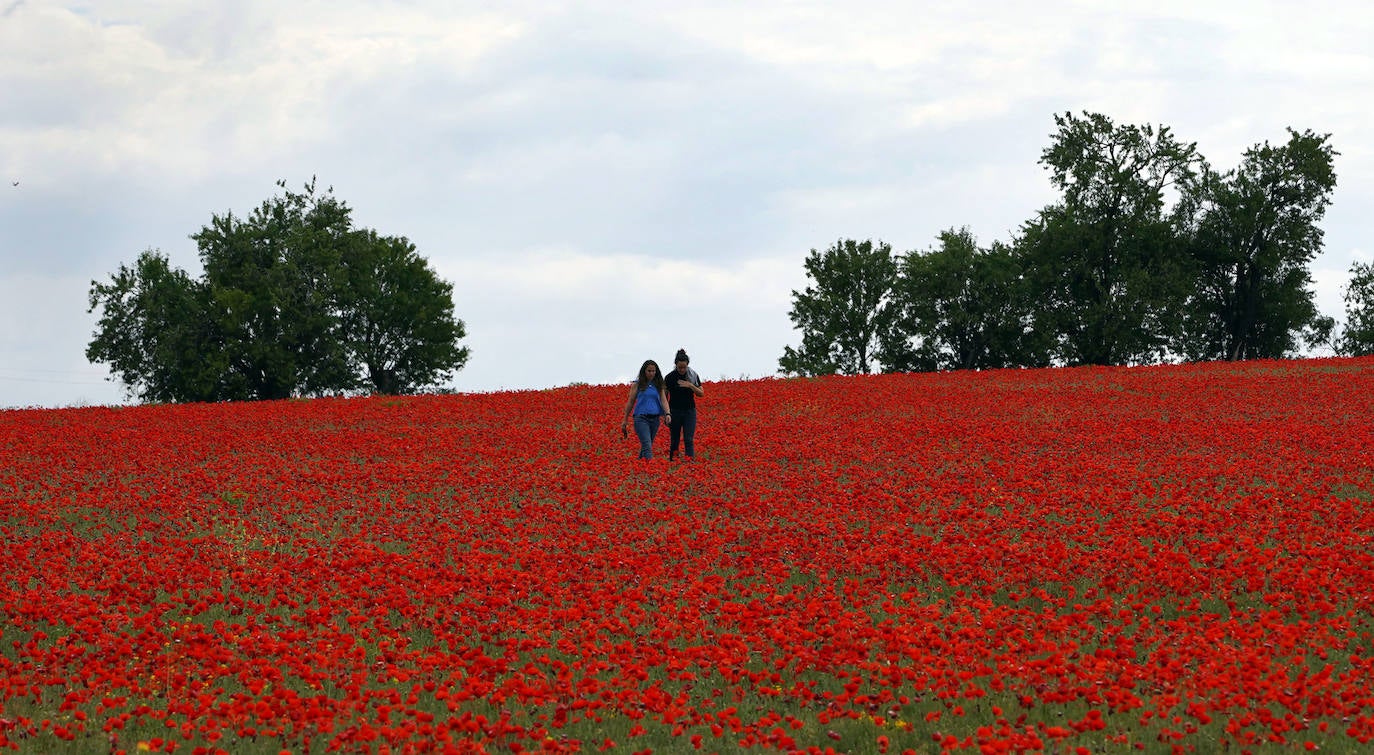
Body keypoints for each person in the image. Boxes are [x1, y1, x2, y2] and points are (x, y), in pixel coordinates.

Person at [621, 359, 671, 460]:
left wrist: (668, 414)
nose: (651, 373)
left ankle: (640, 466)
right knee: (647, 445)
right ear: (644, 371)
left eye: (653, 371)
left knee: (646, 446)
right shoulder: (637, 384)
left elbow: (664, 400)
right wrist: (625, 419)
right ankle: (650, 467)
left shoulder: (658, 385)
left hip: (655, 419)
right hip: (641, 419)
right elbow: (630, 402)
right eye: (649, 371)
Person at [664, 348, 704, 460]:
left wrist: (690, 385)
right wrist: (666, 413)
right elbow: (665, 396)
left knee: (688, 439)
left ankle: (689, 462)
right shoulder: (669, 378)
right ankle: (673, 461)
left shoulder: (693, 376)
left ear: (687, 365)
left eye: (684, 367)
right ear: (675, 365)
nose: (682, 369)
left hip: (689, 411)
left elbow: (701, 393)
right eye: (679, 367)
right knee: (675, 439)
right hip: (674, 411)